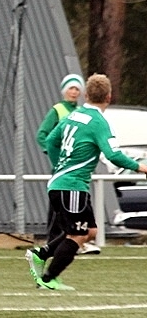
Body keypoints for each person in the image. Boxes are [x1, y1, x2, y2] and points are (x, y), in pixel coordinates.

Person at [30, 73, 147, 290]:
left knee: (90, 231)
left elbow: (51, 140)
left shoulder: (74, 115)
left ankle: (42, 254)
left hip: (63, 184)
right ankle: (48, 279)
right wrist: (141, 167)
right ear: (109, 97)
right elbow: (113, 155)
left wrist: (58, 165)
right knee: (77, 235)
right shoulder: (98, 122)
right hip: (71, 186)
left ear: (86, 95)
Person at [35, 73, 100, 255]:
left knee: (77, 209)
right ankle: (54, 245)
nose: (74, 92)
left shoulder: (80, 111)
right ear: (64, 90)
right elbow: (43, 135)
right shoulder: (57, 110)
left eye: (77, 89)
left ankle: (75, 242)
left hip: (77, 171)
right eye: (71, 88)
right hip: (63, 171)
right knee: (59, 212)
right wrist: (57, 159)